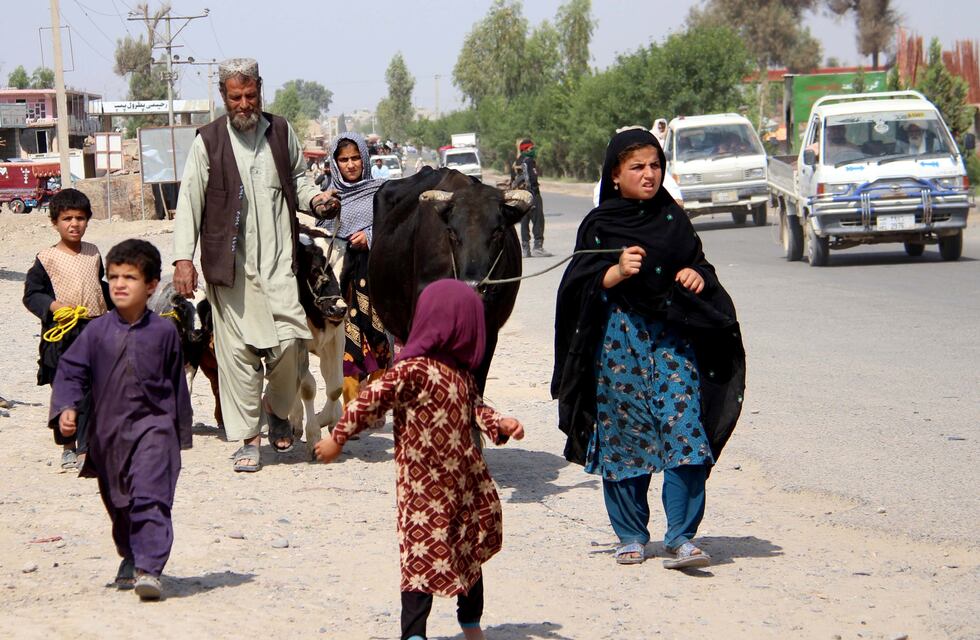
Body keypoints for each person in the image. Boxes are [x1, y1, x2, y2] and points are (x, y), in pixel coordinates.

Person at [552, 128, 745, 569]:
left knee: (685, 429)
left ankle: (681, 536)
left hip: (674, 339)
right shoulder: (599, 226)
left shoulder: (674, 219)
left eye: (655, 165)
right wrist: (616, 272)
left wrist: (698, 276)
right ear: (615, 176)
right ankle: (631, 535)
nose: (649, 174)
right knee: (626, 437)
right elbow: (575, 289)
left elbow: (698, 263)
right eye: (637, 167)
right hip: (620, 343)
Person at [315, 279, 525, 640]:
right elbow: (371, 399)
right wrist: (339, 436)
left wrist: (500, 425)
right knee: (421, 558)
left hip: (464, 484)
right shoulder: (412, 370)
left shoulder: (461, 375)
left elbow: (476, 409)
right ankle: (414, 633)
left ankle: (471, 624)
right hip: (423, 489)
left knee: (468, 550)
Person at [172, 57, 335, 472]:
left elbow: (299, 179)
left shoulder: (280, 132)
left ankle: (277, 410)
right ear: (224, 97)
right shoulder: (207, 141)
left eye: (250, 95)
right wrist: (182, 260)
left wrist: (315, 200)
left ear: (260, 90)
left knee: (290, 344)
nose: (244, 104)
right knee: (237, 357)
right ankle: (248, 440)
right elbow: (189, 202)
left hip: (281, 264)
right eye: (235, 97)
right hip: (231, 270)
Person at [50, 239, 192, 601]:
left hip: (155, 430)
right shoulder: (96, 332)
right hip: (109, 434)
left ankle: (150, 568)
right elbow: (71, 372)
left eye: (130, 277)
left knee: (151, 496)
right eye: (113, 277)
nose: (119, 284)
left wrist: (179, 434)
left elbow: (177, 384)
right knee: (120, 502)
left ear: (151, 285)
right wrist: (67, 407)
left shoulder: (164, 332)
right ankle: (131, 554)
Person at [23, 188, 112, 470]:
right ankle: (68, 445)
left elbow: (100, 288)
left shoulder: (94, 253)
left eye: (81, 218)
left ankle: (86, 447)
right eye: (67, 218)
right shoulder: (46, 259)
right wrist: (53, 306)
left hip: (94, 330)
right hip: (62, 336)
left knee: (92, 390)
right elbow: (32, 294)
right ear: (55, 222)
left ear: (88, 220)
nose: (74, 224)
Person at [316, 132, 392, 405]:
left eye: (355, 158)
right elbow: (321, 236)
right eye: (343, 159)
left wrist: (370, 236)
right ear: (335, 163)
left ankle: (375, 402)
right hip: (343, 283)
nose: (350, 164)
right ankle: (350, 408)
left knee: (380, 338)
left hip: (376, 278)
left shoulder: (382, 191)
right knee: (347, 343)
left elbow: (395, 226)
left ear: (365, 158)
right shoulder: (329, 198)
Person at [512, 138, 552, 258]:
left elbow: (512, 179)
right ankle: (538, 247)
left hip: (520, 196)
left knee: (524, 221)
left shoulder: (516, 162)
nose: (533, 150)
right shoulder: (529, 161)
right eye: (531, 148)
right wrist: (534, 193)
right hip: (532, 194)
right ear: (525, 149)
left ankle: (525, 249)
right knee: (538, 220)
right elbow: (533, 179)